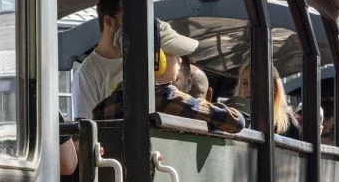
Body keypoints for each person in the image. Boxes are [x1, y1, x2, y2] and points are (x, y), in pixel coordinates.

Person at [92, 44, 245, 133]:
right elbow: (235, 122)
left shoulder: (103, 106)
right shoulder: (165, 97)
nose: (180, 62)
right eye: (177, 57)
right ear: (158, 61)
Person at [71, 0, 124, 120]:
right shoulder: (86, 74)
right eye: (127, 20)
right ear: (108, 21)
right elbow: (86, 128)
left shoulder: (140, 64)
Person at [235, 63, 300, 138]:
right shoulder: (234, 119)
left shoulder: (289, 124)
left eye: (256, 83)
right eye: (245, 83)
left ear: (274, 88)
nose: (249, 89)